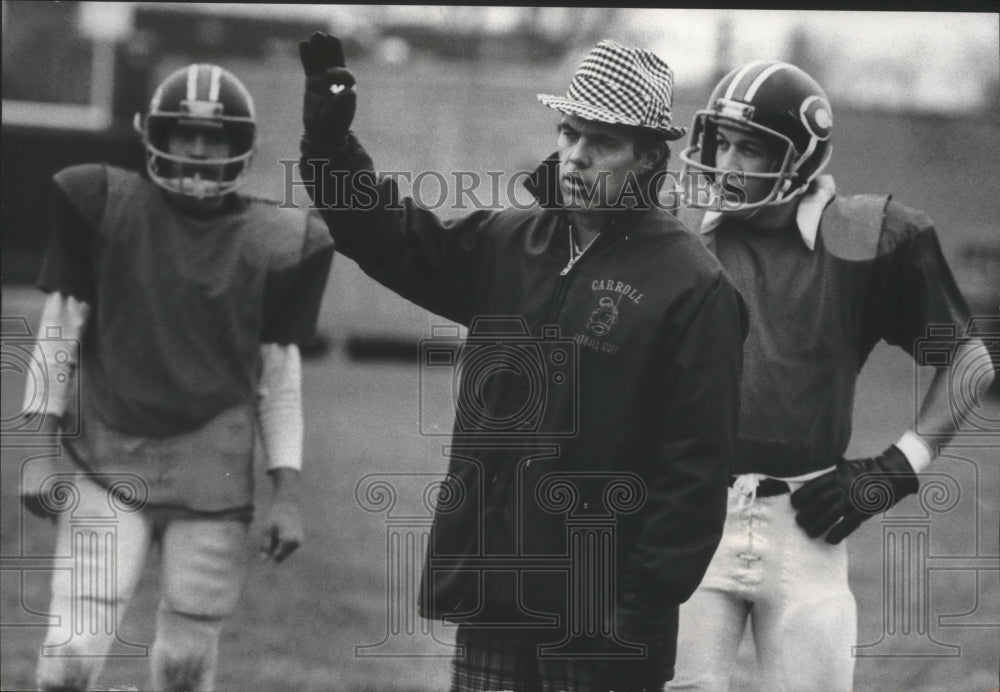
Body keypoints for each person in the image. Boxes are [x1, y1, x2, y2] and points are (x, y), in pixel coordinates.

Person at [296, 33, 747, 692]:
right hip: (496, 595)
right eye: (569, 132)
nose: (576, 155)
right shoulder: (511, 240)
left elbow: (696, 477)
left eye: (602, 141)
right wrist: (332, 152)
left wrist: (634, 613)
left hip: (605, 621)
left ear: (651, 157)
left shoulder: (694, 287)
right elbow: (397, 239)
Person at [666, 60, 996, 692]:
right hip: (686, 510)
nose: (728, 164)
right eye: (722, 143)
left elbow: (970, 361)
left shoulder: (869, 235)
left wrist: (897, 468)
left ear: (799, 161)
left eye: (752, 149)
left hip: (808, 520)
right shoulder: (675, 233)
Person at [19, 63, 335, 692]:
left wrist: (288, 495)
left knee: (189, 665)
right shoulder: (106, 207)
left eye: (213, 138)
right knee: (73, 650)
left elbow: (281, 379)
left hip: (210, 461)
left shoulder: (276, 240)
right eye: (184, 134)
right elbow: (59, 333)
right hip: (108, 445)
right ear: (153, 135)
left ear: (238, 146)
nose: (197, 149)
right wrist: (36, 450)